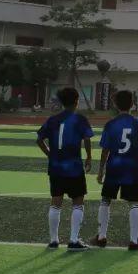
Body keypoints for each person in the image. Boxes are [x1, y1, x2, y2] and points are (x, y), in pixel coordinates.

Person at [36, 87, 94, 251]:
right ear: (76, 101)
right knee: (78, 201)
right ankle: (73, 240)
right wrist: (89, 157)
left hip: (55, 167)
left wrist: (50, 154)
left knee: (56, 201)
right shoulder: (80, 119)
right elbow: (87, 138)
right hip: (74, 167)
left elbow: (39, 140)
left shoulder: (52, 120)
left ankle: (53, 240)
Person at [94, 89, 138, 250]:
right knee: (134, 203)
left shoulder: (111, 124)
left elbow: (105, 149)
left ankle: (101, 236)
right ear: (132, 104)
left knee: (106, 200)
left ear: (115, 105)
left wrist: (100, 171)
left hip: (114, 167)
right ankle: (134, 240)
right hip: (132, 169)